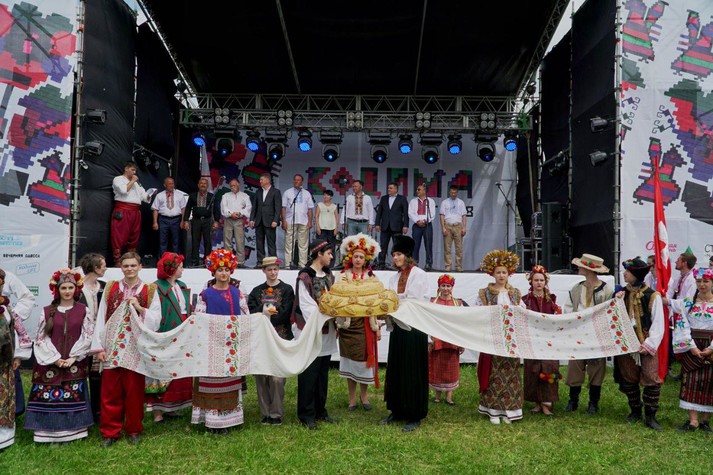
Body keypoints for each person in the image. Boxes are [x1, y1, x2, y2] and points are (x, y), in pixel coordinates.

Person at [91, 252, 161, 447]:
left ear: (140, 267)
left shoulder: (149, 290)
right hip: (112, 345)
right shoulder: (111, 287)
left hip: (135, 348)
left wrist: (140, 308)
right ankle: (110, 432)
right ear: (121, 267)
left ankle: (134, 429)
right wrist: (99, 346)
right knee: (110, 392)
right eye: (126, 266)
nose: (129, 269)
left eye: (133, 265)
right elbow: (101, 317)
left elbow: (156, 319)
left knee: (134, 391)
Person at [24, 268, 94, 443]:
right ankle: (46, 434)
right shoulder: (47, 311)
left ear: (76, 288)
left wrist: (73, 357)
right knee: (48, 396)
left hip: (74, 362)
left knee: (73, 394)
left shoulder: (83, 310)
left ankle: (75, 431)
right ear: (57, 290)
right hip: (50, 363)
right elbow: (40, 338)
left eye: (70, 287)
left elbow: (87, 335)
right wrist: (54, 359)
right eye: (63, 288)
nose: (67, 291)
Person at [192, 249, 248, 433]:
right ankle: (211, 419)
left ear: (231, 271)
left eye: (226, 270)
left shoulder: (237, 294)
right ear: (213, 272)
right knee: (211, 381)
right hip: (211, 345)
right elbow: (199, 319)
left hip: (230, 344)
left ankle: (228, 419)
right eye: (220, 270)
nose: (223, 273)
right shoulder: (205, 294)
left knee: (228, 381)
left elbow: (245, 317)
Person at [381, 235, 429, 432]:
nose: (395, 258)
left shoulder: (419, 274)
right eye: (393, 255)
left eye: (399, 254)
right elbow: (390, 298)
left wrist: (393, 302)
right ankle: (397, 409)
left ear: (407, 256)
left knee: (412, 369)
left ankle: (414, 413)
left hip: (414, 328)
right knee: (397, 367)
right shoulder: (393, 278)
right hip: (398, 327)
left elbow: (414, 300)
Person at [291, 240, 337, 430]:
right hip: (310, 331)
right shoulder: (305, 277)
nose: (331, 257)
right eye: (329, 253)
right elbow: (306, 306)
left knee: (322, 373)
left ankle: (320, 410)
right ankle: (306, 414)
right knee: (309, 374)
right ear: (319, 254)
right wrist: (328, 314)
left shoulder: (330, 275)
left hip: (327, 330)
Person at [475, 249, 525, 424]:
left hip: (510, 338)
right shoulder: (485, 293)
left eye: (504, 272)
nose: (501, 275)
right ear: (493, 274)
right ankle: (494, 410)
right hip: (493, 337)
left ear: (509, 273)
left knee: (511, 373)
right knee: (494, 373)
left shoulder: (515, 293)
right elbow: (478, 313)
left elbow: (522, 313)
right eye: (498, 272)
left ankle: (510, 410)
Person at [616, 257, 665, 431]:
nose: (624, 274)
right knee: (629, 377)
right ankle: (635, 411)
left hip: (646, 340)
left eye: (628, 272)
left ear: (636, 274)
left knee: (651, 378)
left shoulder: (652, 295)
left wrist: (649, 345)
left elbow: (658, 323)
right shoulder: (621, 294)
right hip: (627, 341)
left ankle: (650, 416)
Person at [334, 233, 382, 411]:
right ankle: (352, 399)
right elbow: (337, 299)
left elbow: (376, 303)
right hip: (348, 325)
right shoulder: (342, 276)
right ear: (350, 257)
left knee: (364, 362)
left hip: (365, 325)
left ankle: (365, 397)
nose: (358, 260)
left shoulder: (372, 278)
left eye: (361, 257)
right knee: (350, 362)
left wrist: (377, 327)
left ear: (366, 259)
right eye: (355, 256)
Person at [563, 253, 613, 415]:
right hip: (578, 332)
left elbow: (609, 312)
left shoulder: (606, 290)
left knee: (596, 367)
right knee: (575, 366)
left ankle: (593, 402)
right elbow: (568, 309)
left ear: (588, 269)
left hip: (596, 334)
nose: (578, 268)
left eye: (581, 266)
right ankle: (573, 400)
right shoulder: (577, 288)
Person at [247, 256, 294, 425]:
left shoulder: (287, 289)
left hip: (281, 337)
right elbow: (251, 312)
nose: (273, 272)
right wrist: (266, 310)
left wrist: (266, 313)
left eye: (275, 269)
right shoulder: (256, 291)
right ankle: (265, 413)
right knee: (261, 376)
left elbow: (285, 313)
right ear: (264, 271)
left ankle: (276, 413)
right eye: (269, 269)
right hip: (260, 339)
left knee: (277, 378)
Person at [147, 252, 193, 422]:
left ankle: (171, 407)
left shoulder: (181, 285)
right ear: (172, 269)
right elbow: (153, 312)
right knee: (161, 369)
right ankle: (158, 411)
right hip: (165, 330)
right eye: (180, 267)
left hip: (182, 330)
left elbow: (185, 307)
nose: (182, 270)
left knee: (177, 368)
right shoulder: (156, 287)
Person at [670, 267, 713, 432]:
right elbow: (682, 324)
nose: (702, 284)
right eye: (699, 281)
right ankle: (693, 421)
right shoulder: (688, 303)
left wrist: (711, 348)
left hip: (711, 345)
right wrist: (692, 346)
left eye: (706, 281)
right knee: (691, 380)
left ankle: (705, 421)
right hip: (692, 343)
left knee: (710, 381)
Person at [522, 265, 562, 416]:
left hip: (548, 340)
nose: (539, 283)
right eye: (536, 280)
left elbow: (557, 318)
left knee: (549, 368)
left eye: (541, 280)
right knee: (533, 369)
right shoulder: (525, 300)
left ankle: (547, 403)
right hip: (532, 339)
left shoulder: (552, 299)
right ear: (531, 282)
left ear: (546, 282)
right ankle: (537, 403)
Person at [0, 276, 32, 449]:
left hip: (4, 363)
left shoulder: (8, 310)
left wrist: (18, 355)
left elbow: (19, 333)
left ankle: (3, 436)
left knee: (5, 396)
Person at [77, 253, 107, 422]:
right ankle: (81, 410)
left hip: (99, 336)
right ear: (95, 268)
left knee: (97, 375)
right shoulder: (76, 287)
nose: (105, 268)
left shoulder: (104, 286)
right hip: (80, 336)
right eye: (103, 265)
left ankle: (97, 411)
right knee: (80, 373)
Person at [428, 274, 467, 405]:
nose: (445, 288)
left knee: (451, 367)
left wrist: (461, 342)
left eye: (448, 286)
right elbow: (428, 322)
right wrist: (430, 340)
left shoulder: (458, 303)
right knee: (436, 366)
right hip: (437, 339)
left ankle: (449, 397)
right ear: (439, 287)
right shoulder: (432, 302)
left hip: (452, 340)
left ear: (452, 287)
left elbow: (461, 324)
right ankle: (438, 396)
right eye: (443, 286)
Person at [111, 161, 153, 263]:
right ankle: (117, 260)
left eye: (135, 170)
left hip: (135, 211)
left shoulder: (137, 183)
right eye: (132, 170)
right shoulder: (118, 179)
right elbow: (123, 190)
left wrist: (149, 194)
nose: (134, 172)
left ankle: (131, 260)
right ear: (126, 169)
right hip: (123, 209)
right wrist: (133, 181)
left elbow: (144, 196)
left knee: (134, 236)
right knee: (119, 235)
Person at [664, 252, 698, 379]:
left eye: (678, 260)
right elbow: (670, 293)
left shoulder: (692, 280)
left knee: (685, 341)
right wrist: (665, 299)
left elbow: (688, 302)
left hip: (686, 316)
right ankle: (673, 369)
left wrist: (669, 302)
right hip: (676, 313)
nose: (675, 262)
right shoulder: (679, 278)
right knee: (675, 341)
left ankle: (687, 370)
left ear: (684, 263)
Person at [183, 177, 220, 268]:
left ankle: (207, 261)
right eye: (201, 183)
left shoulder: (212, 196)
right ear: (198, 185)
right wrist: (185, 220)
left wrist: (216, 221)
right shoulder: (193, 196)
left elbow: (216, 210)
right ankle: (194, 261)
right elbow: (188, 208)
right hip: (196, 220)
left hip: (208, 221)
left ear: (207, 185)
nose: (203, 185)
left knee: (208, 241)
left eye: (205, 183)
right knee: (195, 241)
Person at [282, 174, 315, 269]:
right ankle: (288, 264)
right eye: (295, 180)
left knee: (303, 244)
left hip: (303, 221)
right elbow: (283, 207)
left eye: (298, 180)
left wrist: (310, 221)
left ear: (302, 182)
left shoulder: (307, 193)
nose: (296, 181)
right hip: (290, 220)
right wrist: (284, 220)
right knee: (289, 244)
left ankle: (302, 264)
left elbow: (310, 209)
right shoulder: (287, 192)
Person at [249, 173, 282, 267]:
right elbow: (254, 206)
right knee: (259, 242)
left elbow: (278, 208)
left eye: (261, 180)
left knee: (271, 242)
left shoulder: (276, 192)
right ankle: (260, 262)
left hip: (270, 221)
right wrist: (252, 219)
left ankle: (272, 262)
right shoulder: (258, 192)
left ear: (267, 180)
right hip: (259, 220)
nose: (260, 181)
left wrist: (276, 220)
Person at [375, 182, 409, 269]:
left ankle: (398, 265)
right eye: (388, 188)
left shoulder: (402, 199)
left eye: (391, 188)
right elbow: (379, 212)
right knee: (383, 246)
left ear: (396, 189)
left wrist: (405, 225)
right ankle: (381, 263)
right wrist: (377, 223)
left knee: (397, 247)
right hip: (385, 226)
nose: (389, 189)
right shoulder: (384, 198)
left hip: (397, 227)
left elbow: (405, 213)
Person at [152, 177, 187, 256]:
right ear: (165, 185)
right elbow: (155, 209)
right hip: (163, 220)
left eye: (172, 183)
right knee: (162, 241)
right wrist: (155, 222)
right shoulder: (159, 195)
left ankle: (176, 259)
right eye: (169, 184)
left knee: (176, 241)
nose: (171, 185)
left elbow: (183, 209)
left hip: (176, 220)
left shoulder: (180, 195)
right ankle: (162, 259)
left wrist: (183, 221)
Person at [220, 178, 251, 268]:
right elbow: (223, 208)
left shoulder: (245, 196)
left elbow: (248, 208)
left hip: (239, 220)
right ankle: (228, 261)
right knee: (227, 240)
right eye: (231, 186)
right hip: (228, 219)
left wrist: (240, 213)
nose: (232, 187)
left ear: (238, 185)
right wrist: (231, 214)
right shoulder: (225, 196)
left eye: (234, 185)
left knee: (240, 241)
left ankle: (240, 262)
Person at [439, 185, 467, 272]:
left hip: (458, 226)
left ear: (457, 192)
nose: (453, 194)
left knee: (459, 248)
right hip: (448, 225)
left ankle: (459, 266)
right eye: (452, 192)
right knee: (447, 248)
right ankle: (448, 266)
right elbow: (442, 215)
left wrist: (464, 227)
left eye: (455, 193)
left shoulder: (461, 202)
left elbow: (464, 215)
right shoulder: (444, 202)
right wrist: (443, 227)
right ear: (449, 192)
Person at [408, 184, 436, 271]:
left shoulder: (430, 201)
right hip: (417, 225)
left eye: (419, 189)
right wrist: (418, 221)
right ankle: (414, 264)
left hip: (427, 225)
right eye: (417, 189)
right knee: (415, 245)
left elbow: (432, 214)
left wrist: (425, 221)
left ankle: (428, 264)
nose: (417, 191)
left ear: (424, 191)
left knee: (428, 245)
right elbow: (410, 213)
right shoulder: (413, 201)